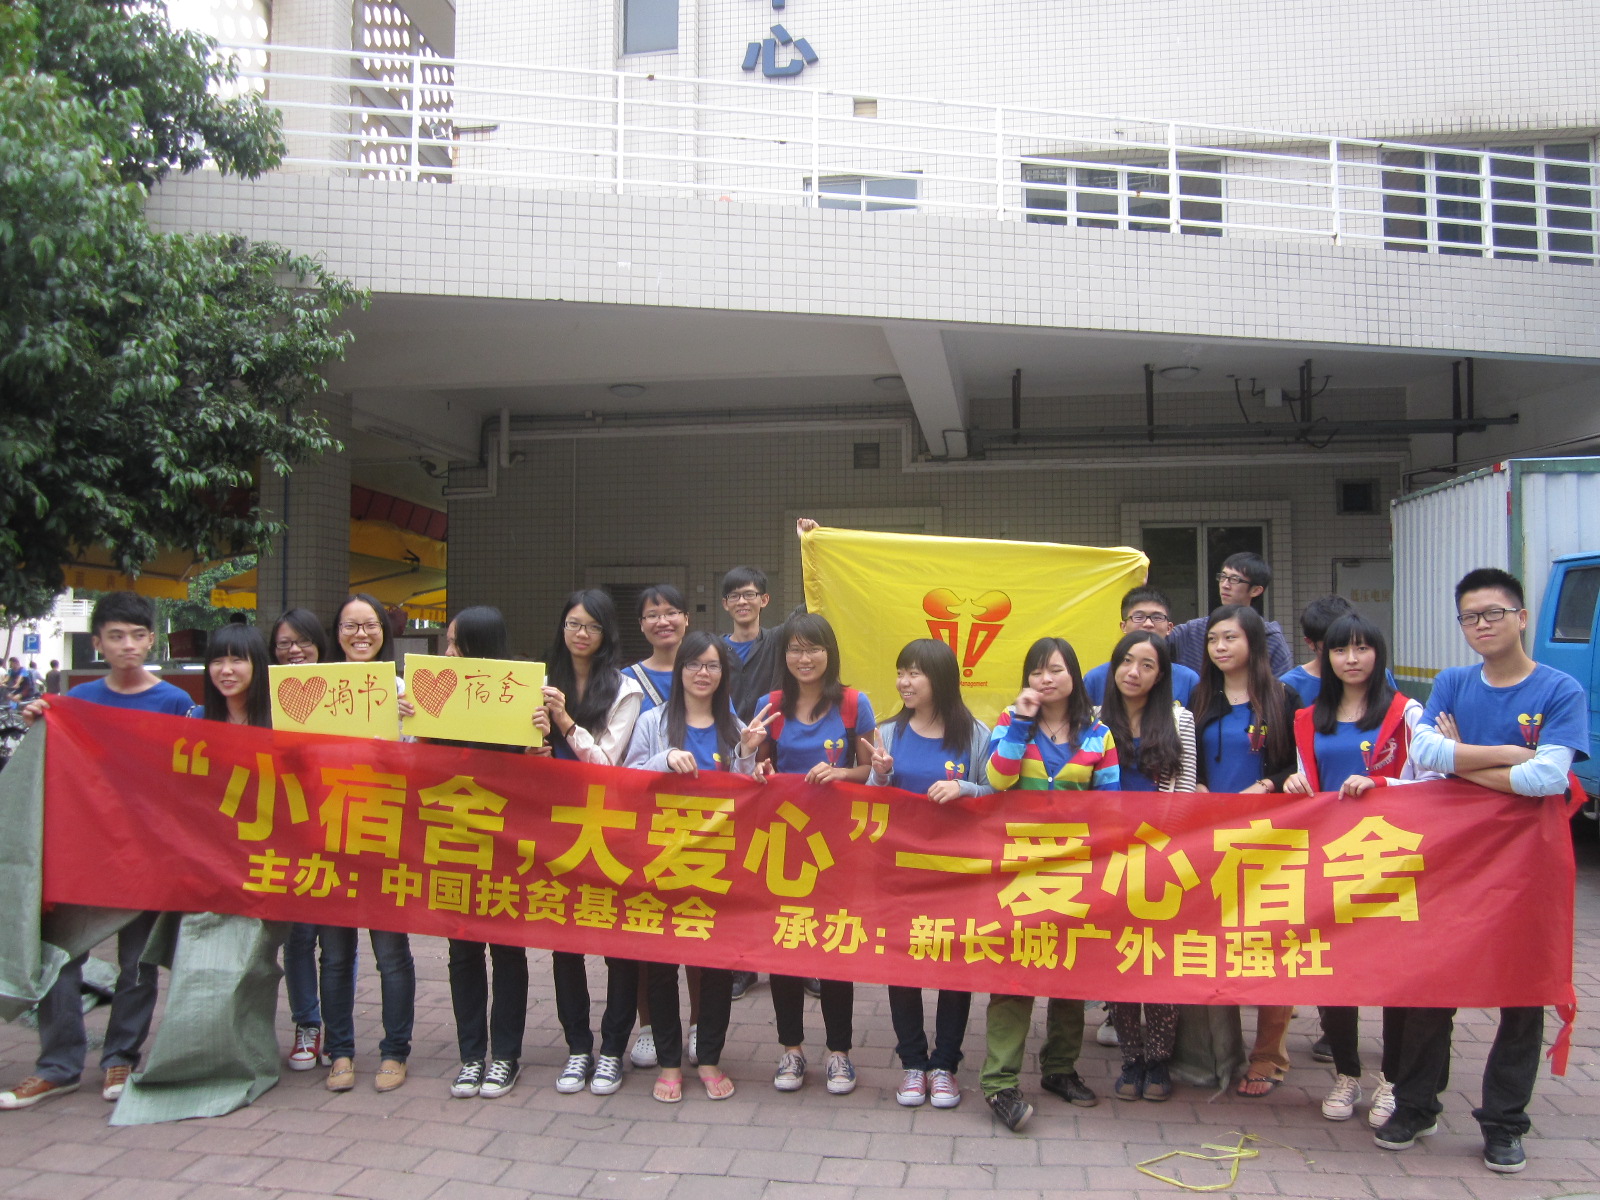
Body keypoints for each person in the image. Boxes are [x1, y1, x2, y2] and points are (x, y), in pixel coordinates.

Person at [1380, 568, 1588, 1175]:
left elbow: (1548, 778)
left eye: (1493, 613)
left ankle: (1504, 1123)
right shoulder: (1451, 682)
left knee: (1522, 994)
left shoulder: (1559, 690)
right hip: (1454, 860)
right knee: (1432, 985)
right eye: (1470, 617)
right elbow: (1425, 752)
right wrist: (1508, 755)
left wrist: (1460, 759)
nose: (1481, 625)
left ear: (1521, 618)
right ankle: (1416, 1106)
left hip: (1528, 865)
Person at [0, 592, 191, 1111]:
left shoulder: (174, 703)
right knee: (61, 956)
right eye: (116, 636)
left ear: (151, 640)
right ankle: (57, 1066)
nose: (128, 645)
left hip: (147, 854)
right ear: (98, 643)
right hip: (81, 853)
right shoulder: (75, 702)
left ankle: (120, 1058)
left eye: (137, 635)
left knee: (136, 963)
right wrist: (42, 721)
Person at [1280, 612, 1437, 1126]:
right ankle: (1347, 1073)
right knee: (1335, 969)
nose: (1351, 659)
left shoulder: (1406, 713)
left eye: (1361, 648)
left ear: (1378, 654)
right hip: (1329, 858)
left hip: (1391, 859)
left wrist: (1384, 785)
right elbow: (1306, 777)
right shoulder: (1308, 717)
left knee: (1394, 972)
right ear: (1324, 656)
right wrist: (1295, 785)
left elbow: (1433, 784)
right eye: (1340, 650)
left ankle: (1392, 1078)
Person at [980, 636, 1118, 1131]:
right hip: (1018, 871)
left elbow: (1112, 806)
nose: (1046, 679)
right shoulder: (1009, 720)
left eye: (1056, 670)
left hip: (1075, 872)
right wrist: (1021, 720)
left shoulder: (1099, 733)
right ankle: (999, 1083)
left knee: (1069, 974)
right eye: (1037, 671)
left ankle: (1060, 1068)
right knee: (1013, 976)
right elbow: (997, 779)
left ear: (1074, 676)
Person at [740, 612, 875, 1095]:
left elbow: (870, 772)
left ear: (829, 653)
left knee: (836, 945)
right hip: (785, 845)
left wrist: (839, 774)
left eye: (813, 648)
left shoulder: (855, 704)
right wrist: (756, 764)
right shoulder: (770, 706)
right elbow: (758, 772)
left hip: (838, 847)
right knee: (785, 947)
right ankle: (791, 1050)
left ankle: (840, 1053)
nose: (804, 658)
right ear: (784, 655)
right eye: (795, 649)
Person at [625, 631, 759, 1102]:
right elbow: (626, 779)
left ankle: (710, 1059)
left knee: (715, 966)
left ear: (724, 674)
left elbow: (745, 794)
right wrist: (663, 759)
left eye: (713, 665)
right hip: (660, 862)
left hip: (716, 866)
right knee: (660, 965)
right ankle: (668, 1062)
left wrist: (748, 755)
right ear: (679, 669)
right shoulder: (653, 721)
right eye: (694, 664)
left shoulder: (734, 725)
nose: (703, 673)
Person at [863, 639, 992, 1110]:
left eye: (915, 672)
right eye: (901, 672)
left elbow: (997, 793)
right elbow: (873, 799)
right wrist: (880, 774)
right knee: (903, 965)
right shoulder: (888, 733)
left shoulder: (975, 734)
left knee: (955, 965)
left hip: (958, 874)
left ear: (940, 678)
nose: (905, 682)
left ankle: (945, 1066)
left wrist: (966, 788)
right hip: (901, 874)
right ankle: (914, 1063)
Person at [533, 589, 646, 1097]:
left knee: (618, 946)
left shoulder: (625, 690)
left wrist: (563, 722)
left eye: (592, 626)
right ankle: (578, 1047)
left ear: (606, 634)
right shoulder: (537, 682)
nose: (581, 634)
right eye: (573, 624)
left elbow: (606, 764)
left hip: (606, 831)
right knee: (565, 944)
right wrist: (533, 746)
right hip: (553, 828)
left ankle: (613, 1050)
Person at [1187, 604, 1300, 1099]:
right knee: (1216, 941)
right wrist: (1197, 785)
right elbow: (1185, 756)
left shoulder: (1283, 697)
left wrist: (1268, 785)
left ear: (1253, 641)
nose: (1220, 647)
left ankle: (1269, 1055)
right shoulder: (1199, 697)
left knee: (1270, 945)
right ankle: (1221, 1051)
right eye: (1214, 639)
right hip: (1210, 840)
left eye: (1230, 637)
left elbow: (1300, 765)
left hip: (1270, 839)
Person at [427, 607, 532, 1102]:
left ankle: (505, 1055)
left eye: (457, 644)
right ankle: (472, 1055)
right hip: (454, 838)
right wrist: (410, 723)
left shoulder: (519, 696)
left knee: (507, 950)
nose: (449, 653)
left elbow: (534, 771)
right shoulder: (438, 694)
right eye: (448, 643)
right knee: (462, 949)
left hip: (505, 843)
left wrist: (539, 736)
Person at [316, 594, 417, 1095]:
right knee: (334, 954)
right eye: (350, 626)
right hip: (328, 837)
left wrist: (407, 726)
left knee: (391, 952)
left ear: (385, 631)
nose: (361, 634)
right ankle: (340, 1052)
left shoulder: (403, 691)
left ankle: (395, 1051)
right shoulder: (314, 688)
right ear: (336, 633)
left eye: (370, 625)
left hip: (385, 835)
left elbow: (422, 766)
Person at [1094, 630, 1197, 1103]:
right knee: (1120, 959)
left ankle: (1158, 1059)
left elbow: (1187, 791)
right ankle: (1130, 1058)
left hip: (1163, 859)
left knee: (1159, 961)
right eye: (1126, 662)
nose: (1133, 672)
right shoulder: (1094, 720)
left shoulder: (1179, 719)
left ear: (1161, 676)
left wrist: (1156, 852)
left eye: (1147, 665)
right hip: (1109, 858)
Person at [267, 609, 335, 1074]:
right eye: (284, 644)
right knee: (298, 937)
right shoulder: (266, 698)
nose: (294, 651)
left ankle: (339, 1027)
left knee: (337, 939)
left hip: (340, 827)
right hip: (286, 832)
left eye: (303, 642)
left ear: (319, 645)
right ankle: (307, 1024)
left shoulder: (347, 693)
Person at [720, 566, 784, 1001]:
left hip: (771, 762)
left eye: (750, 594)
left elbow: (815, 604)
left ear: (764, 600)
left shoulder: (778, 642)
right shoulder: (713, 649)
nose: (742, 602)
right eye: (734, 596)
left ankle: (793, 961)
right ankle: (741, 963)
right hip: (727, 761)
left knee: (779, 863)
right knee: (737, 868)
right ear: (725, 605)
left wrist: (812, 546)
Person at [1166, 553, 1294, 677]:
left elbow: (1283, 686)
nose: (1225, 585)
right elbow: (1159, 643)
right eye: (1223, 577)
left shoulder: (1270, 638)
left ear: (1255, 590)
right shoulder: (1195, 630)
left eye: (1234, 579)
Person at [1082, 588, 1201, 705]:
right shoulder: (1095, 679)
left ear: (1169, 628)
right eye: (1139, 617)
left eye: (1157, 618)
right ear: (1123, 626)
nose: (1148, 624)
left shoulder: (1188, 680)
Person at [1278, 594, 1356, 707]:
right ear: (1310, 642)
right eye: (1333, 645)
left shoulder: (1370, 677)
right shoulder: (1289, 685)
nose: (1350, 658)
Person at [627, 584, 689, 713]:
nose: (662, 622)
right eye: (652, 616)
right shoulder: (626, 680)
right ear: (641, 624)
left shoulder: (706, 673)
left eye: (671, 613)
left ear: (686, 618)